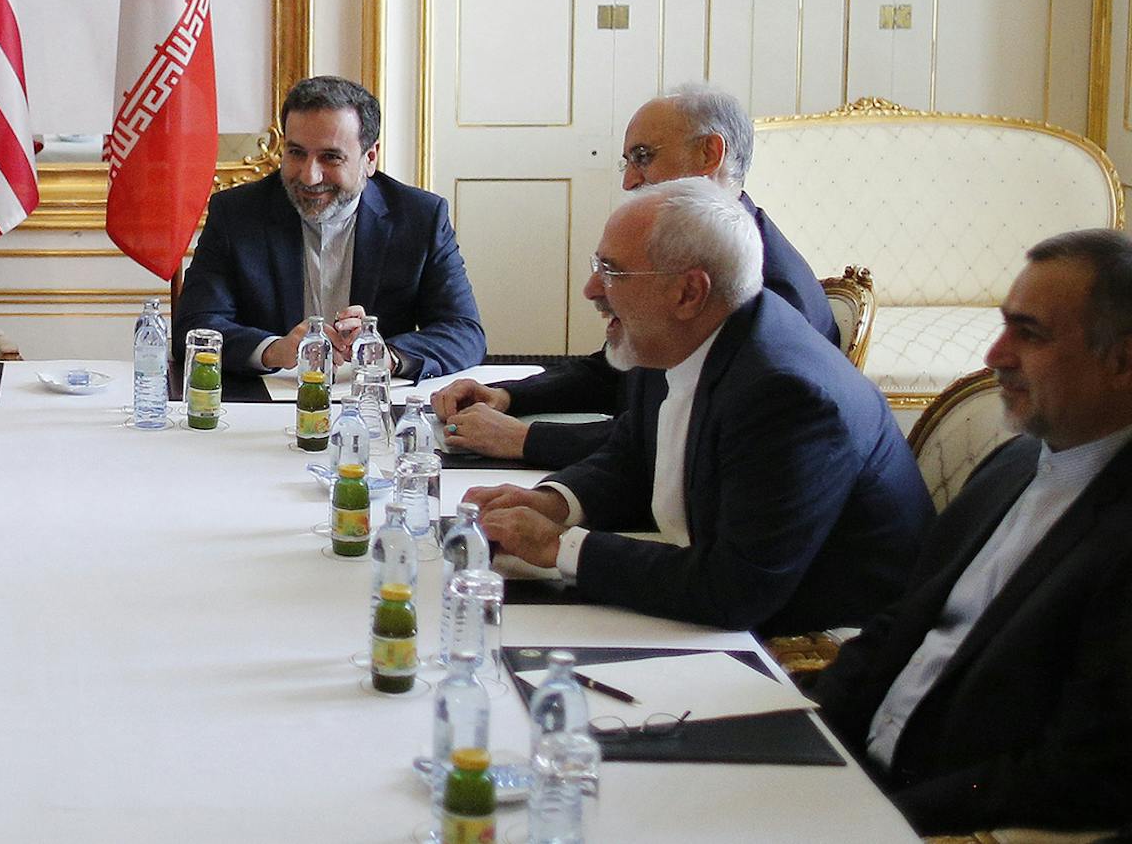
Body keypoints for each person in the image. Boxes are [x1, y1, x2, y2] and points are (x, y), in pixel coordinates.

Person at [463, 178, 932, 634]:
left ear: (689, 292)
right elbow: (634, 453)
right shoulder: (681, 334)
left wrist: (557, 546)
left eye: (612, 272)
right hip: (717, 591)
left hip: (820, 641)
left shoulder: (784, 394)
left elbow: (735, 589)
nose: (591, 288)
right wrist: (554, 503)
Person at [812, 229, 1132, 835]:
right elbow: (896, 625)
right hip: (853, 776)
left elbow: (1081, 773)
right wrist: (798, 730)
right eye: (1004, 325)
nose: (995, 355)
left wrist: (864, 821)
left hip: (939, 818)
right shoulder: (1010, 464)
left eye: (1029, 334)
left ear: (1121, 361)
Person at [433, 84, 837, 467]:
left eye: (643, 157)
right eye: (627, 163)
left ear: (709, 154)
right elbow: (626, 373)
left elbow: (677, 438)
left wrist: (525, 440)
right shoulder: (694, 248)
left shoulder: (768, 291)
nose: (629, 181)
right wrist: (507, 396)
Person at [172, 75, 484, 379]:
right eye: (296, 153)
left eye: (330, 157)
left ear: (369, 158)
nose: (309, 176)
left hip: (373, 405)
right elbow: (194, 328)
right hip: (266, 404)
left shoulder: (420, 218)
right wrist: (274, 350)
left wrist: (386, 355)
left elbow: (464, 332)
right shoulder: (236, 213)